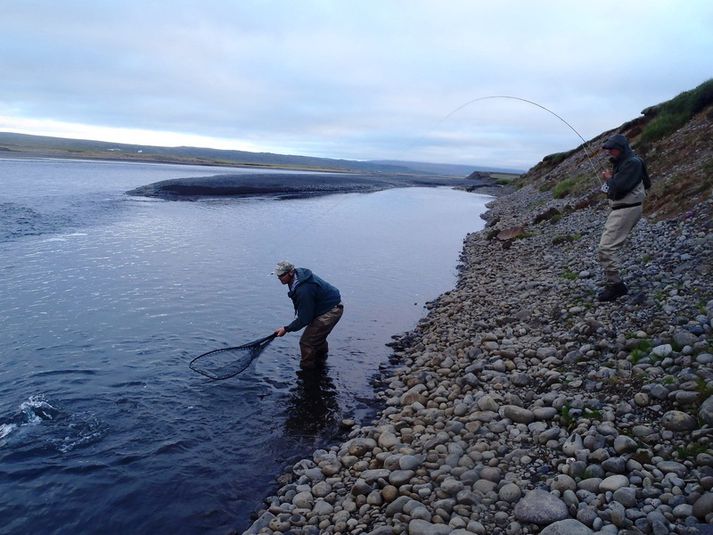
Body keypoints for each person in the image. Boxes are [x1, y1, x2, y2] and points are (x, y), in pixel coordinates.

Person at [596, 133, 647, 302]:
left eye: (612, 149)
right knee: (607, 247)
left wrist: (610, 179)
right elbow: (646, 184)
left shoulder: (632, 163)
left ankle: (617, 286)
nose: (609, 152)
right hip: (624, 209)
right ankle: (615, 283)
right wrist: (612, 181)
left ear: (621, 148)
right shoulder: (626, 163)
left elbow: (619, 187)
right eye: (608, 149)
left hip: (626, 209)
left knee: (606, 247)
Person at [273, 261, 344, 369]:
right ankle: (321, 361)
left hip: (331, 311)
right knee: (317, 337)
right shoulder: (298, 276)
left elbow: (305, 318)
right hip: (327, 306)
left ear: (291, 272)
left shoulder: (304, 289)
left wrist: (286, 329)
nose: (279, 278)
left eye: (282, 275)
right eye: (278, 275)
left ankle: (307, 372)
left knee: (306, 342)